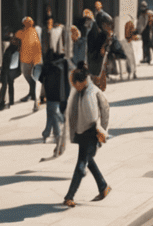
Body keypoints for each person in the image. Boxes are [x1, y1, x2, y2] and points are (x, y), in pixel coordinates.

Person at [61, 64, 110, 207]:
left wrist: (103, 130)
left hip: (92, 132)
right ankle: (103, 186)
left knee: (81, 164)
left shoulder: (93, 92)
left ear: (82, 82)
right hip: (82, 133)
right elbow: (73, 113)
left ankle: (69, 196)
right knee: (88, 160)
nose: (74, 86)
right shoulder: (79, 92)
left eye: (75, 84)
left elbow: (105, 110)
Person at [40, 45, 70, 147]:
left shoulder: (46, 65)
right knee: (52, 113)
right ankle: (51, 133)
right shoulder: (64, 62)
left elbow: (40, 78)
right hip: (61, 93)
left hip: (50, 93)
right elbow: (67, 78)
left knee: (52, 113)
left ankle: (52, 133)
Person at [17, 16, 43, 109]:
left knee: (34, 79)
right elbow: (18, 36)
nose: (27, 23)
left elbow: (36, 44)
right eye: (26, 22)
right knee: (28, 76)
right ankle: (32, 93)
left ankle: (36, 98)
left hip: (34, 59)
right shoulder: (24, 31)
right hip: (27, 58)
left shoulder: (34, 31)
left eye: (28, 22)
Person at [0, 33, 23, 109]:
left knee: (6, 85)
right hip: (9, 70)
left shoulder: (12, 50)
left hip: (10, 70)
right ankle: (6, 102)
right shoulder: (13, 50)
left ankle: (6, 102)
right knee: (7, 85)